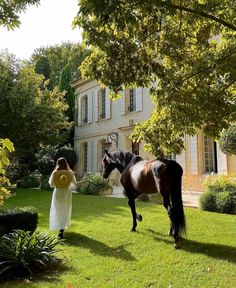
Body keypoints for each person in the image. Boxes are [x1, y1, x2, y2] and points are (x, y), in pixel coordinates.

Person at [48, 157, 77, 239]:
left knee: (58, 210)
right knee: (65, 209)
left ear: (58, 164)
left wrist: (59, 183)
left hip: (58, 192)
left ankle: (60, 227)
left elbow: (51, 184)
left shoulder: (55, 173)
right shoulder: (70, 173)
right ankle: (62, 228)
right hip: (67, 193)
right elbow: (75, 185)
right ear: (66, 163)